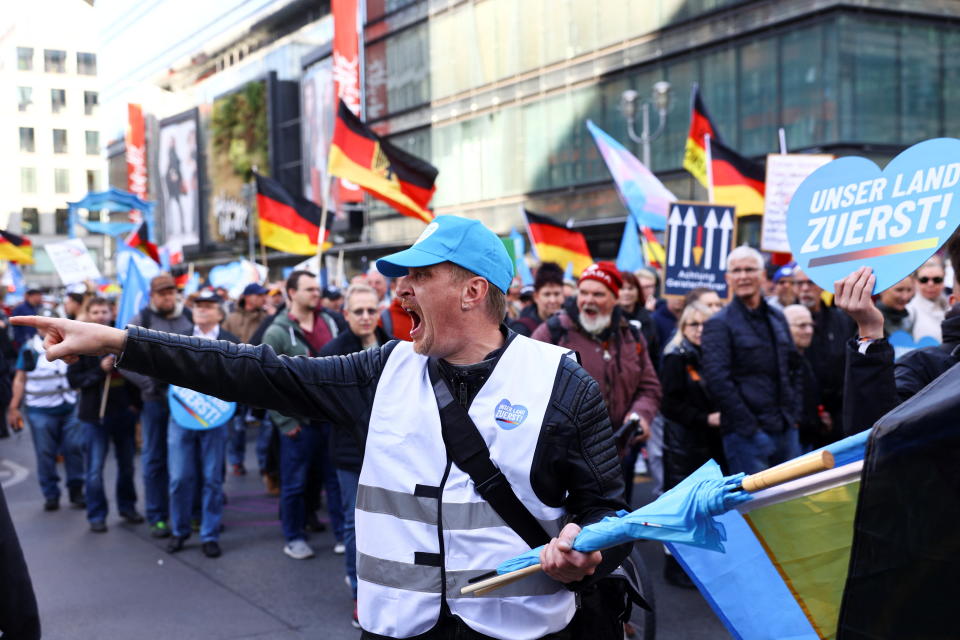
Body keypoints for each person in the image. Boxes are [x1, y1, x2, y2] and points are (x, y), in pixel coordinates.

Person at [17, 214, 633, 640]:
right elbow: (258, 372)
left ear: (473, 291)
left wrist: (586, 554)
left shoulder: (562, 383)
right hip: (397, 628)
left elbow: (610, 517)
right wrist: (123, 341)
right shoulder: (383, 370)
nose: (401, 289)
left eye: (419, 276)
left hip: (521, 633)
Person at [531, 261, 662, 506]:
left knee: (616, 520)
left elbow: (649, 386)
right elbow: (526, 384)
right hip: (568, 457)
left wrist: (640, 414)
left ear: (615, 298)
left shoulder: (631, 335)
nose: (588, 300)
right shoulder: (551, 333)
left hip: (619, 452)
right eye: (584, 293)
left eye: (598, 294)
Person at [319, 283, 391, 629]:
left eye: (371, 310)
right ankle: (360, 593)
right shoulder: (334, 351)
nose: (365, 317)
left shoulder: (392, 344)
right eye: (358, 311)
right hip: (351, 453)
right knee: (354, 523)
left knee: (391, 521)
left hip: (389, 452)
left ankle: (389, 588)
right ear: (345, 314)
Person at [262, 270, 344, 560]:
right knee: (294, 483)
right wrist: (285, 422)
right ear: (291, 293)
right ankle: (294, 537)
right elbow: (266, 382)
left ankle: (343, 535)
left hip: (329, 419)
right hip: (299, 423)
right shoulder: (278, 331)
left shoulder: (331, 323)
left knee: (334, 481)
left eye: (317, 289)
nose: (316, 293)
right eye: (309, 289)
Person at [701, 246, 801, 474]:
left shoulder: (777, 317)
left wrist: (793, 416)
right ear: (728, 278)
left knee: (793, 503)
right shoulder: (719, 323)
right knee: (758, 507)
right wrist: (750, 428)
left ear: (763, 275)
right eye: (736, 271)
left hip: (786, 429)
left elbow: (794, 367)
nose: (743, 276)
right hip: (746, 436)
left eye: (749, 269)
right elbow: (718, 381)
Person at [166, 289, 240, 558]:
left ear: (220, 312)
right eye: (198, 305)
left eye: (208, 305)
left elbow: (241, 376)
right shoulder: (179, 338)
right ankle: (180, 530)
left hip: (216, 418)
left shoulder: (231, 341)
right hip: (182, 415)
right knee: (179, 478)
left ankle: (209, 533)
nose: (202, 309)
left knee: (211, 479)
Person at [120, 273, 194, 538]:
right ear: (153, 295)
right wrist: (148, 385)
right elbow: (122, 359)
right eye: (162, 293)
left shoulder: (189, 316)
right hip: (154, 402)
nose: (167, 297)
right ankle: (158, 516)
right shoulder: (141, 321)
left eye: (171, 292)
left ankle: (188, 513)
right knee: (154, 459)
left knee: (186, 460)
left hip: (186, 402)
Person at [658, 302, 722, 589]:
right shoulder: (676, 357)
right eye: (693, 324)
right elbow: (670, 405)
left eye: (705, 324)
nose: (699, 330)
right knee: (682, 511)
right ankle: (676, 568)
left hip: (709, 445)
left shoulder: (712, 354)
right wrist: (705, 418)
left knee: (704, 509)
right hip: (684, 446)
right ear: (683, 328)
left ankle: (701, 568)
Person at [67, 298, 143, 532]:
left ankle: (127, 507)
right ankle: (97, 514)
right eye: (96, 311)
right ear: (88, 314)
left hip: (123, 412)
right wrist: (100, 371)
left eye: (105, 311)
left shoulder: (121, 341)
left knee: (127, 465)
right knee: (94, 469)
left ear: (112, 313)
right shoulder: (79, 345)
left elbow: (137, 377)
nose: (100, 315)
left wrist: (135, 405)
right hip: (95, 416)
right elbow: (75, 381)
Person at [8, 308, 85, 511]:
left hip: (69, 407)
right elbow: (20, 378)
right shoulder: (29, 348)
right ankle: (51, 494)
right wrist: (14, 407)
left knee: (74, 449)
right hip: (40, 411)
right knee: (45, 453)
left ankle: (76, 490)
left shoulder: (69, 344)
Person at [791, 266, 856, 438]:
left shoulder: (842, 320)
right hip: (802, 416)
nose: (805, 288)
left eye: (810, 283)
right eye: (800, 283)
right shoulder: (782, 320)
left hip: (839, 411)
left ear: (821, 285)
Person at [783, 304, 832, 450]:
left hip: (808, 437)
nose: (809, 331)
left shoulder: (805, 358)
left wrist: (819, 416)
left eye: (810, 325)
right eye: (802, 326)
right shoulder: (779, 363)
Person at [510, 262, 564, 337]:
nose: (552, 300)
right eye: (547, 294)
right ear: (536, 297)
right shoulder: (521, 329)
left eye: (557, 294)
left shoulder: (571, 327)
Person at [908, 257, 950, 342]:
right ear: (915, 281)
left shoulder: (951, 308)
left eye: (937, 280)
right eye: (924, 280)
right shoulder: (909, 311)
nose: (930, 284)